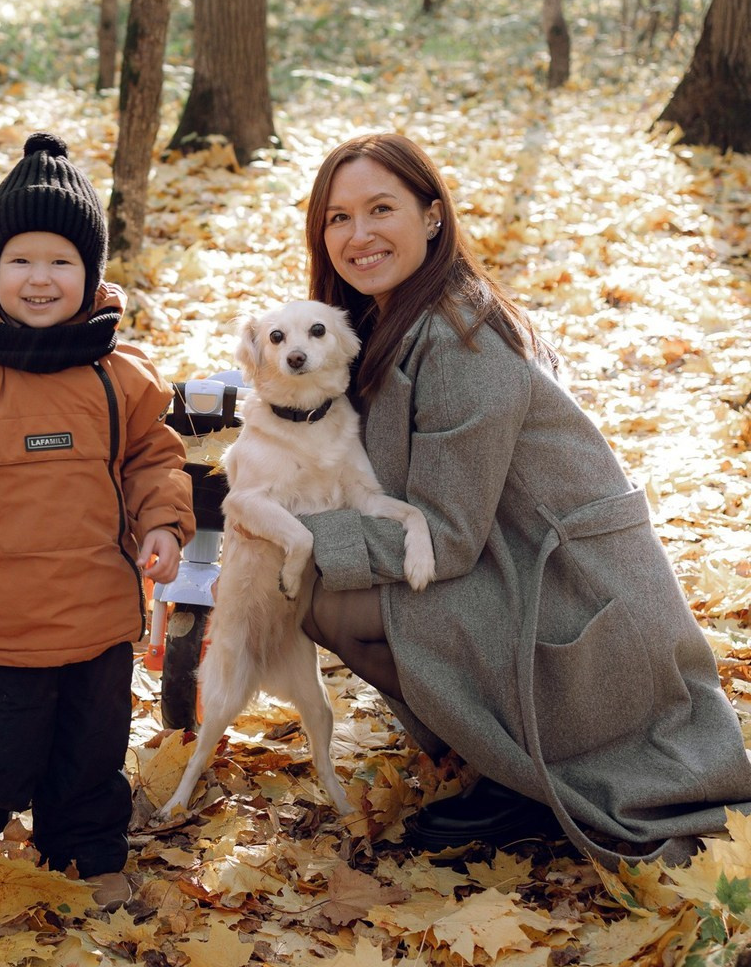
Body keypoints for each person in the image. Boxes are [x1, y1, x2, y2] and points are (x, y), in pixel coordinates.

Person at [297, 131, 751, 864]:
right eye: (338, 218)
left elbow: (444, 537)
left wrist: (294, 536)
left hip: (576, 599)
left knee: (325, 596)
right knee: (319, 580)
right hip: (511, 566)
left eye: (381, 209)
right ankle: (490, 756)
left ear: (433, 216)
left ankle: (518, 777)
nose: (359, 235)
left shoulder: (461, 339)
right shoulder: (388, 322)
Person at [0, 132, 194, 907]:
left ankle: (86, 852)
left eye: (61, 261)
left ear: (91, 275)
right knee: (0, 756)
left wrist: (162, 523)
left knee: (91, 757)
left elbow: (153, 458)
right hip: (2, 627)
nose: (40, 277)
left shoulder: (118, 375)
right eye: (20, 259)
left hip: (100, 619)